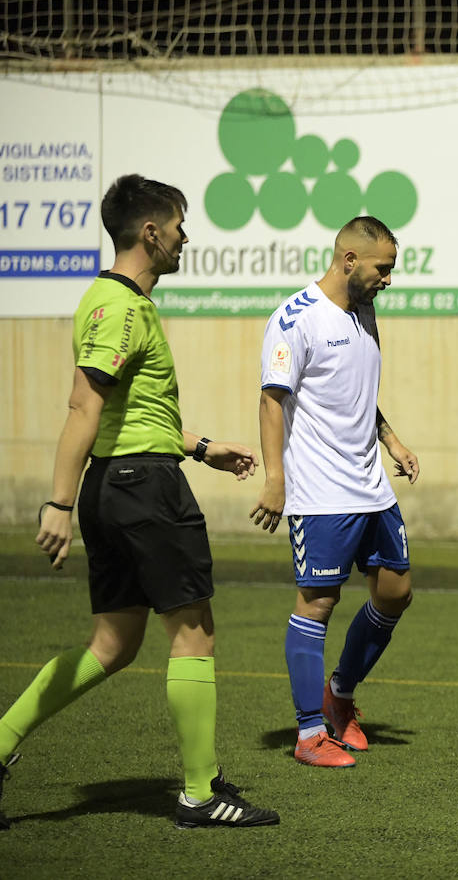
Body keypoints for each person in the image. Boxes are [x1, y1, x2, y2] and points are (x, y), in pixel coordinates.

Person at [0, 175, 278, 830]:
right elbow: (84, 405)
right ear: (151, 232)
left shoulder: (113, 302)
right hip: (143, 489)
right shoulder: (122, 307)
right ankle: (200, 794)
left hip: (116, 484)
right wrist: (56, 503)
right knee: (194, 631)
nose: (186, 238)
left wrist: (202, 447)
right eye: (179, 227)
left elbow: (130, 414)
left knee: (113, 643)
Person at [251, 215, 419, 769]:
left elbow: (353, 391)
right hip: (321, 492)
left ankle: (339, 694)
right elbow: (272, 399)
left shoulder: (364, 310)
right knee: (318, 603)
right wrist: (275, 479)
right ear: (349, 260)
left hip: (372, 486)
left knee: (395, 592)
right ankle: (308, 734)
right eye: (382, 269)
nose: (388, 279)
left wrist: (391, 439)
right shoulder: (295, 318)